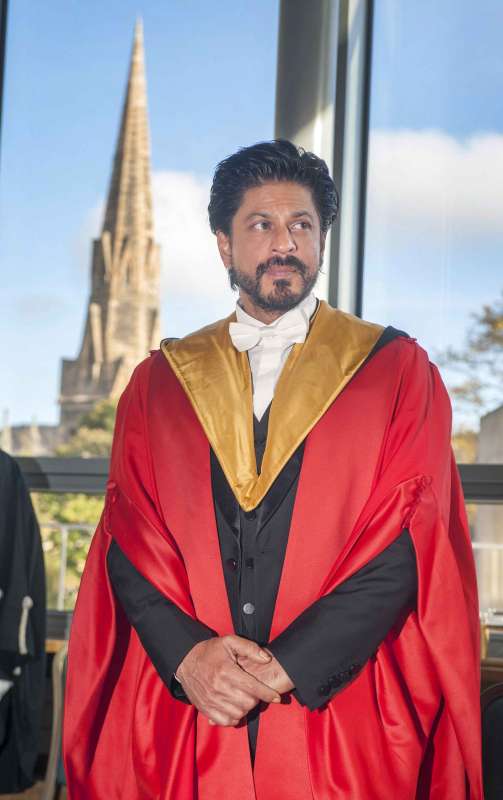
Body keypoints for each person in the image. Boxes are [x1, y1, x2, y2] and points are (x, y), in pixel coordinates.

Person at [64, 140, 482, 799]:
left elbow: (410, 542)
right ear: (224, 246)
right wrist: (189, 658)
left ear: (321, 241)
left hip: (336, 705)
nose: (283, 243)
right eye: (261, 225)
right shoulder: (156, 384)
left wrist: (287, 668)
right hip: (196, 708)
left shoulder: (396, 371)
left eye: (302, 225)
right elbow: (128, 536)